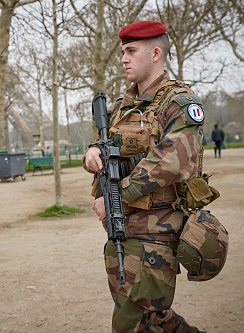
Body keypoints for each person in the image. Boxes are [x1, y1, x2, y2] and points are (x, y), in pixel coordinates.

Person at [84, 21, 205, 333]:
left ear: (154, 53)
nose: (123, 58)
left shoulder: (178, 103)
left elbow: (172, 162)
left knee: (132, 323)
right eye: (123, 51)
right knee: (154, 320)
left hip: (155, 233)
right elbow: (110, 144)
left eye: (130, 51)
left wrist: (116, 197)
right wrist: (93, 152)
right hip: (122, 228)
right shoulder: (125, 106)